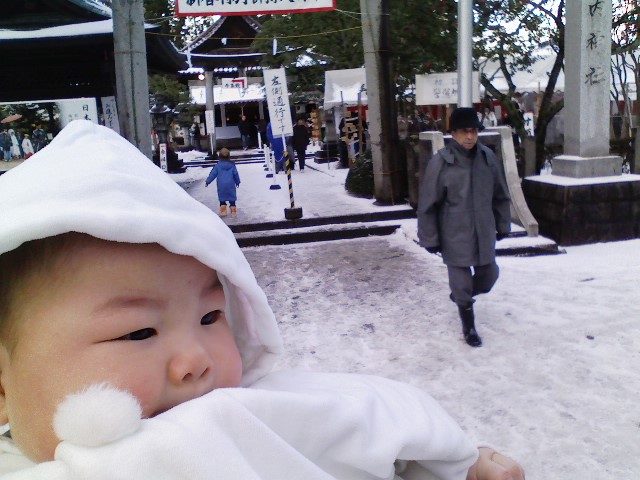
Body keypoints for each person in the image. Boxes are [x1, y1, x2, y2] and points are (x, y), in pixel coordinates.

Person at [0, 120, 524, 480]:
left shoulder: (260, 415)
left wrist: (455, 463)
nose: (196, 359)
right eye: (138, 331)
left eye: (211, 316)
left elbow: (371, 416)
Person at [417, 107, 511, 348]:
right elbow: (427, 203)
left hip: (483, 229)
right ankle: (468, 325)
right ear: (453, 133)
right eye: (464, 132)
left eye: (473, 132)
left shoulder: (487, 158)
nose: (469, 137)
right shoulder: (441, 162)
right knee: (461, 283)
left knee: (490, 276)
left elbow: (500, 194)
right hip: (453, 232)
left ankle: (462, 297)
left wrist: (502, 224)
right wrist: (430, 238)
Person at [205, 147, 241, 217]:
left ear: (220, 156)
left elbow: (213, 174)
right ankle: (233, 211)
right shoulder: (232, 165)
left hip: (221, 185)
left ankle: (223, 211)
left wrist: (207, 182)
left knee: (222, 198)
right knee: (232, 197)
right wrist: (237, 182)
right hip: (230, 184)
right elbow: (235, 174)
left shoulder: (217, 166)